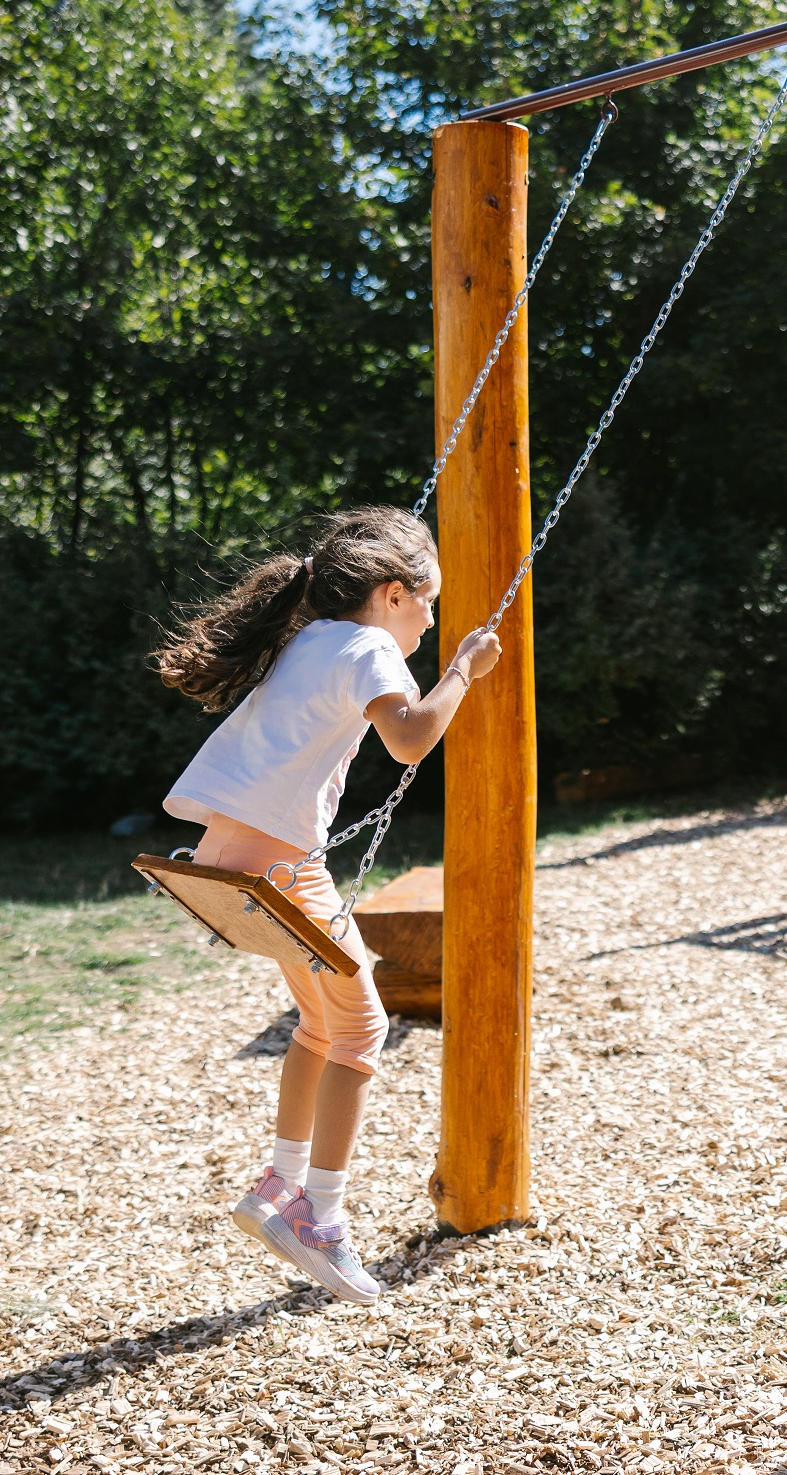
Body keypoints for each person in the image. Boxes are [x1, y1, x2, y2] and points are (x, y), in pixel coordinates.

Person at [155, 508, 503, 1303]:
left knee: (320, 1023)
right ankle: (321, 1215)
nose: (430, 620)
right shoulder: (369, 646)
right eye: (428, 602)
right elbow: (409, 739)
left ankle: (279, 1183)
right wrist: (462, 668)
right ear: (391, 594)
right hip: (280, 868)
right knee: (361, 1030)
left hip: (228, 855)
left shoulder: (309, 636)